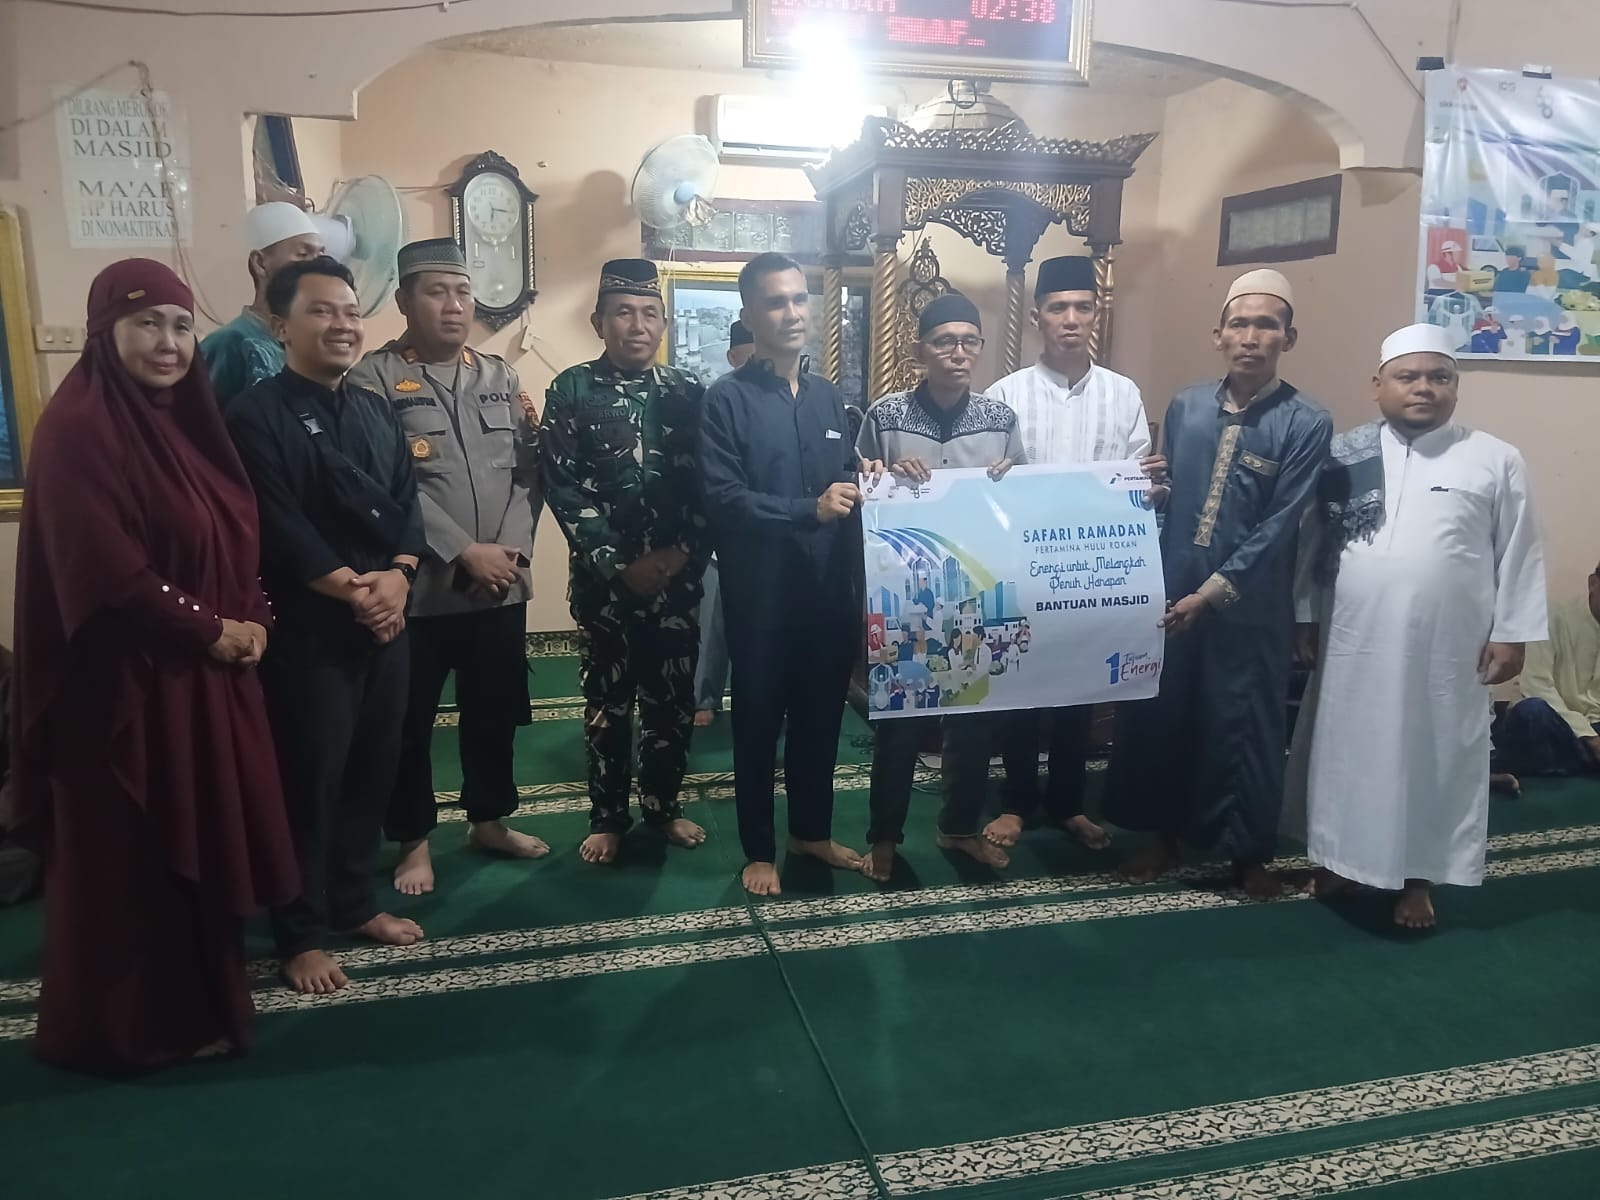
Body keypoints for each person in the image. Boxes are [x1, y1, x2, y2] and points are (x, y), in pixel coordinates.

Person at [12, 260, 299, 1071]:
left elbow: (233, 535)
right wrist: (212, 629)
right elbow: (109, 571)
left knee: (200, 841)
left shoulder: (186, 420)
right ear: (106, 332)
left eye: (180, 326)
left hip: (200, 675)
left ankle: (203, 1007)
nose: (168, 343)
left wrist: (255, 615)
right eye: (146, 325)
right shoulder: (79, 429)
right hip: (123, 694)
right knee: (132, 863)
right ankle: (126, 1031)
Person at [1293, 323, 1546, 929]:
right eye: (1408, 377)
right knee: (1346, 751)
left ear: (1456, 387)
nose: (1424, 388)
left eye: (1439, 377)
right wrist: (1305, 617)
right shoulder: (1344, 457)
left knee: (1434, 755)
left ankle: (1418, 879)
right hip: (1354, 639)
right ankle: (1340, 861)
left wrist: (1511, 633)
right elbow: (1311, 547)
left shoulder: (1495, 458)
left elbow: (1520, 552)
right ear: (1378, 384)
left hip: (1447, 648)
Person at [226, 256, 427, 994]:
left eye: (349, 311)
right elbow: (277, 525)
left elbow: (407, 503)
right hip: (310, 628)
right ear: (282, 326)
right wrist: (357, 592)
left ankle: (353, 903)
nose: (342, 324)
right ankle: (300, 933)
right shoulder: (254, 416)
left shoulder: (375, 408)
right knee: (309, 782)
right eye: (321, 311)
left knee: (373, 769)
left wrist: (398, 578)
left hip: (386, 619)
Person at [1106, 269, 1332, 899]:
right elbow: (1175, 496)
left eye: (1266, 325)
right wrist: (1151, 490)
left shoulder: (1307, 421)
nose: (1251, 337)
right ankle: (1163, 838)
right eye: (1239, 324)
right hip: (1172, 587)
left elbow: (1282, 524)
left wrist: (1210, 595)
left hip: (1249, 605)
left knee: (1243, 726)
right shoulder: (1185, 407)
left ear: (1289, 337)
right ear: (1218, 335)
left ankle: (1247, 856)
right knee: (1166, 713)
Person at [344, 240, 546, 896]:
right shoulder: (372, 380)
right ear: (405, 300)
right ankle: (413, 840)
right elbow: (383, 484)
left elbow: (528, 472)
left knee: (495, 712)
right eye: (437, 291)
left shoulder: (499, 376)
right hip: (422, 591)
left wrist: (508, 550)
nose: (455, 305)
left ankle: (489, 819)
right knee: (408, 722)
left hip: (499, 589)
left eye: (463, 291)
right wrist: (463, 550)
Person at [700, 252, 885, 897]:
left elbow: (842, 486)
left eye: (800, 299)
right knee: (757, 725)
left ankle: (810, 832)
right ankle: (758, 850)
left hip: (827, 594)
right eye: (776, 302)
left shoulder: (829, 397)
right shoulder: (725, 401)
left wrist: (871, 477)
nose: (792, 313)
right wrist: (809, 509)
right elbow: (724, 499)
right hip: (762, 599)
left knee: (820, 721)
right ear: (749, 314)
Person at [983, 256, 1167, 854]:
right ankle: (1015, 801)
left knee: (1080, 686)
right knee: (1019, 684)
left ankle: (1067, 803)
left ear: (1095, 314)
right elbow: (987, 482)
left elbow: (1136, 480)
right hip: (1021, 564)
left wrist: (1151, 487)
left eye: (1082, 308)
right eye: (1058, 308)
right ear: (1036, 317)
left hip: (1093, 569)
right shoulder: (1005, 395)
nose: (1070, 319)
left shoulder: (1122, 394)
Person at [541, 260, 712, 865]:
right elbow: (560, 485)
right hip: (605, 587)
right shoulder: (571, 389)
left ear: (663, 324)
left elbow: (710, 484)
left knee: (671, 704)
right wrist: (618, 563)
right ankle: (608, 817)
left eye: (648, 313)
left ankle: (663, 807)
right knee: (607, 707)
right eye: (622, 312)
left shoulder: (689, 392)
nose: (636, 325)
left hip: (676, 581)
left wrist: (679, 553)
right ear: (599, 322)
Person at [854, 294, 1022, 882]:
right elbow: (860, 489)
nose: (958, 352)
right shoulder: (886, 416)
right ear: (919, 350)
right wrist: (883, 475)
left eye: (969, 341)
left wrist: (1011, 481)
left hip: (977, 592)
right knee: (899, 725)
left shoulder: (1000, 421)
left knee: (973, 723)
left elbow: (1020, 505)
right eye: (944, 341)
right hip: (906, 599)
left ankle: (959, 828)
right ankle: (883, 838)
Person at [200, 202, 325, 412]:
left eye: (321, 255)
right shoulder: (229, 344)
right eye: (303, 254)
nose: (318, 266)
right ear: (260, 263)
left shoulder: (312, 343)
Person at [693, 320, 755, 729]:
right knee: (711, 623)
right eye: (748, 356)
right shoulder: (717, 399)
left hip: (770, 535)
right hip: (723, 533)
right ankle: (704, 697)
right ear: (732, 357)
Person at [1491, 564, 1600, 778]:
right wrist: (1589, 737)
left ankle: (1568, 764)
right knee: (1533, 712)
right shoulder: (1551, 618)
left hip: (1594, 726)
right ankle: (1579, 762)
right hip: (1554, 722)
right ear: (1593, 583)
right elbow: (1537, 686)